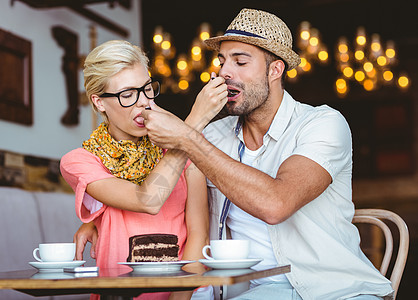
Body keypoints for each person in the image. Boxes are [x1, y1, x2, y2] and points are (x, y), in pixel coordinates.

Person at [74, 9, 394, 300]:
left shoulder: (322, 124)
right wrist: (103, 217)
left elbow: (276, 204)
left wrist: (188, 136)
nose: (224, 72)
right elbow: (166, 196)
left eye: (240, 62)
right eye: (222, 62)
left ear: (275, 70)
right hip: (237, 290)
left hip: (327, 290)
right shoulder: (212, 135)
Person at [60, 40, 226, 300]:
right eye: (127, 95)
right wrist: (192, 126)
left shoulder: (186, 155)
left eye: (147, 89)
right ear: (99, 102)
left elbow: (198, 234)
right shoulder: (80, 161)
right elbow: (147, 199)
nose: (144, 103)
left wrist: (179, 298)